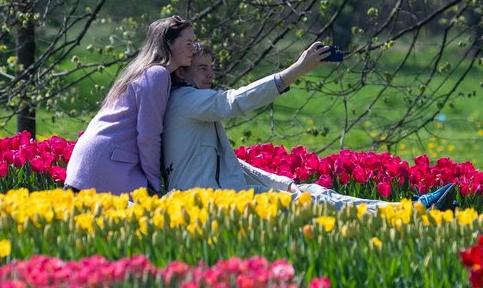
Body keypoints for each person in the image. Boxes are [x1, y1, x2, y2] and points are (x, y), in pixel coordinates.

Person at [162, 42, 456, 211]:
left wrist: (284, 183)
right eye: (203, 68)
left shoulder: (195, 104)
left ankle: (408, 211)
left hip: (222, 196)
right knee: (315, 201)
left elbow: (232, 162)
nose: (212, 75)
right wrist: (296, 71)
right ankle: (408, 213)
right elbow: (235, 101)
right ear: (182, 71)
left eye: (212, 67)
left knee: (313, 193)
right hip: (210, 205)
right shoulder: (186, 101)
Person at [65, 15, 196, 195]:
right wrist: (154, 185)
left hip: (91, 160)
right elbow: (149, 135)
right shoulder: (157, 74)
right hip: (109, 164)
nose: (194, 49)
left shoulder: (144, 71)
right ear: (168, 43)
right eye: (188, 43)